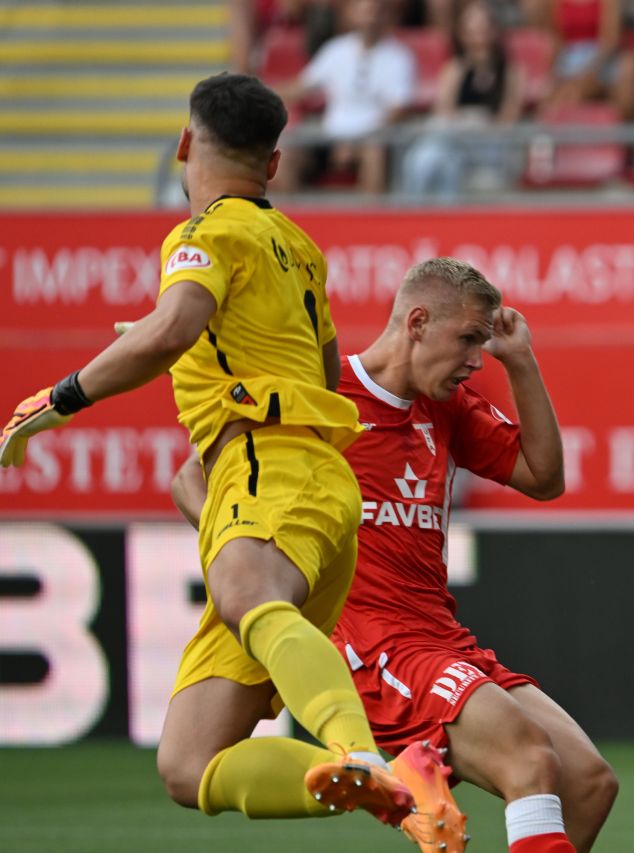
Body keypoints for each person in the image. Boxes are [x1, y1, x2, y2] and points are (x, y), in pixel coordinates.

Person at [0, 72, 451, 851]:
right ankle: (399, 792)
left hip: (265, 469)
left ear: (183, 143)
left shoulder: (205, 234)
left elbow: (174, 329)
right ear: (274, 166)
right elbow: (319, 364)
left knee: (249, 595)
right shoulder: (300, 249)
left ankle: (363, 751)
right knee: (188, 761)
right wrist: (184, 340)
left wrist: (60, 397)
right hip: (311, 484)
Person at [170, 257, 618, 852]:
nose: (474, 360)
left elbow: (543, 476)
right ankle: (398, 773)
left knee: (589, 783)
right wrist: (260, 564)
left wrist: (521, 360)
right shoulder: (324, 395)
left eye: (483, 345)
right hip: (369, 638)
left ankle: (415, 776)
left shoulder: (446, 409)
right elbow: (191, 481)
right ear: (416, 321)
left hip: (438, 636)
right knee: (528, 758)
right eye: (466, 340)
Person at [275, 0, 417, 194]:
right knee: (287, 153)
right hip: (330, 137)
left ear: (386, 15)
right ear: (352, 14)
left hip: (372, 138)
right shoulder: (335, 50)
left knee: (373, 154)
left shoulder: (399, 57)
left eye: (376, 10)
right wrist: (260, 93)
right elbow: (301, 88)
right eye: (365, 10)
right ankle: (288, 218)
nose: (371, 16)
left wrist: (358, 139)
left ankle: (370, 218)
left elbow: (398, 110)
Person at [400, 0, 526, 199]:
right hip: (456, 138)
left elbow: (509, 118)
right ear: (462, 33)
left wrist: (479, 125)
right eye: (472, 27)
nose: (479, 33)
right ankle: (416, 213)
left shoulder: (511, 73)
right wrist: (464, 125)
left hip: (490, 144)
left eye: (484, 26)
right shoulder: (454, 69)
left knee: (434, 153)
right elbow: (443, 112)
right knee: (430, 158)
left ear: (495, 30)